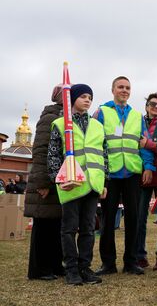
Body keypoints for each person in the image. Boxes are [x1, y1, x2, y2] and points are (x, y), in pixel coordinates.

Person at [47, 84, 108, 285]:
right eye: (83, 96)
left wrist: (104, 181)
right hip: (71, 184)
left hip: (92, 184)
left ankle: (85, 267)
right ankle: (71, 269)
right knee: (69, 228)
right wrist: (59, 178)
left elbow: (103, 155)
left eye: (90, 97)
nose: (87, 100)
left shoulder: (98, 126)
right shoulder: (59, 124)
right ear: (72, 99)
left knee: (88, 229)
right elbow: (54, 155)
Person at [94, 76, 155, 276]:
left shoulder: (137, 116)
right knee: (108, 220)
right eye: (120, 87)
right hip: (110, 173)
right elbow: (95, 142)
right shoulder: (101, 112)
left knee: (133, 219)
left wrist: (148, 166)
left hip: (132, 172)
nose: (124, 90)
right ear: (112, 89)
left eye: (128, 87)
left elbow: (144, 144)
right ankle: (108, 263)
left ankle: (131, 261)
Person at [25, 84, 65, 281]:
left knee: (57, 224)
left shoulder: (67, 117)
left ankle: (56, 264)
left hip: (60, 178)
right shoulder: (50, 117)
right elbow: (40, 150)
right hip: (47, 180)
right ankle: (40, 269)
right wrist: (43, 182)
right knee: (43, 226)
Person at [135, 93, 157, 271]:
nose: (155, 107)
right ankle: (140, 256)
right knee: (139, 218)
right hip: (142, 175)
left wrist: (147, 144)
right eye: (152, 104)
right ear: (147, 106)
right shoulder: (138, 122)